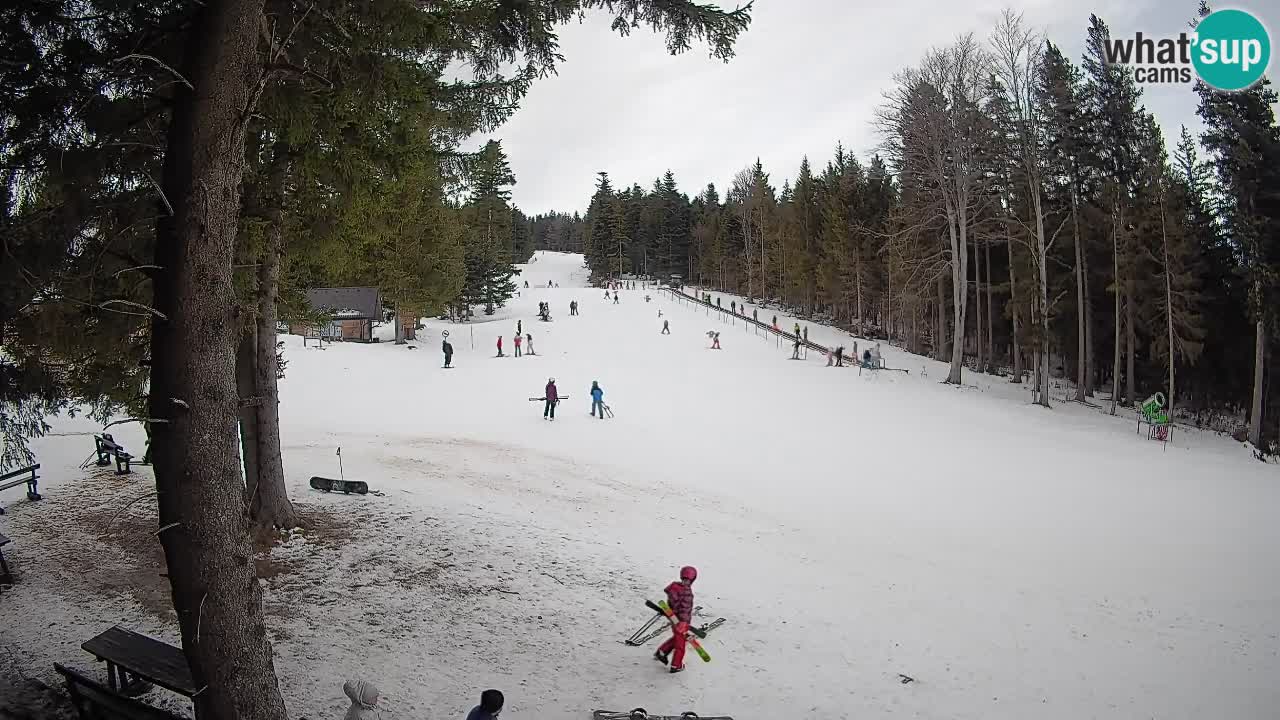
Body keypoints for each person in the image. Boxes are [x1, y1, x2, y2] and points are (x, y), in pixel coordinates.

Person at [653, 566, 698, 674]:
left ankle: (662, 652)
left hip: (673, 618)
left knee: (677, 638)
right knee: (680, 646)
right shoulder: (687, 592)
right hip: (682, 622)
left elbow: (672, 604)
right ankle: (676, 665)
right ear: (693, 579)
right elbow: (684, 609)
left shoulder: (674, 587)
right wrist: (683, 623)